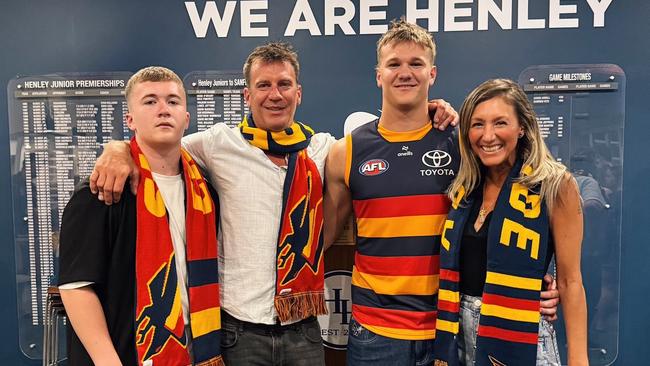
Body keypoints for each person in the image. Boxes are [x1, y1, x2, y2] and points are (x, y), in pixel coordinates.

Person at [89, 42, 458, 365]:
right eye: (263, 85)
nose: (274, 94)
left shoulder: (323, 149)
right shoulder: (218, 144)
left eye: (284, 85)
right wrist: (117, 148)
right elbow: (159, 144)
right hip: (238, 330)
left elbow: (391, 135)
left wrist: (435, 109)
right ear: (247, 96)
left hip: (304, 330)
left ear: (298, 93)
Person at [324, 21, 560, 366]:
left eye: (416, 64)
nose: (405, 73)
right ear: (378, 75)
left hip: (450, 329)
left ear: (432, 73)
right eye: (394, 64)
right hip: (375, 334)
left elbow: (508, 212)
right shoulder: (345, 153)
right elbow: (323, 238)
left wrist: (532, 284)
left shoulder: (464, 145)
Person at [58, 67, 223, 365]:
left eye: (173, 101)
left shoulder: (206, 194)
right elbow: (77, 288)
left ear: (186, 118)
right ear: (130, 119)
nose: (163, 109)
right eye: (150, 101)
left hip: (197, 346)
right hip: (127, 351)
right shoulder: (102, 192)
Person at [434, 78, 588, 365]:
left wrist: (579, 359)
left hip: (522, 335)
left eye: (500, 123)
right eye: (478, 124)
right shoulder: (465, 187)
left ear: (522, 128)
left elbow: (570, 281)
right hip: (457, 334)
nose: (488, 135)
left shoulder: (554, 184)